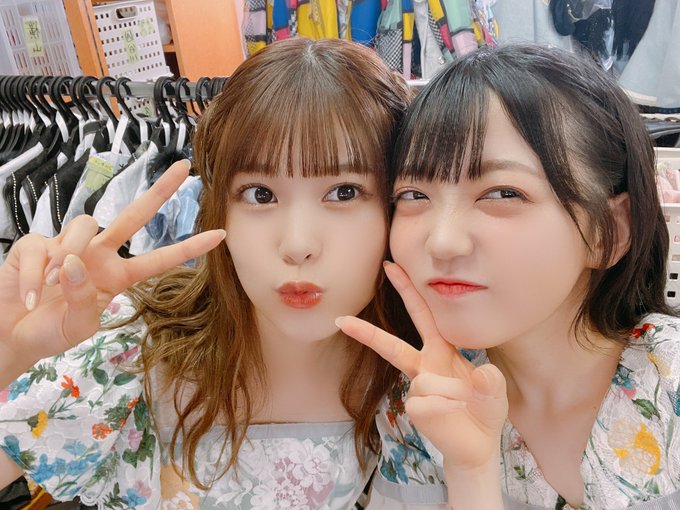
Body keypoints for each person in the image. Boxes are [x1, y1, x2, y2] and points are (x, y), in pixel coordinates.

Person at [0, 38, 411, 509]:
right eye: (260, 194)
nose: (298, 244)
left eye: (343, 192)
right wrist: (9, 351)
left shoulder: (403, 371)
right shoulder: (136, 346)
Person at [337, 43, 680, 509]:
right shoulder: (422, 403)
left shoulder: (670, 384)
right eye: (414, 194)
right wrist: (470, 470)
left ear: (608, 231)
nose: (442, 241)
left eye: (502, 193)